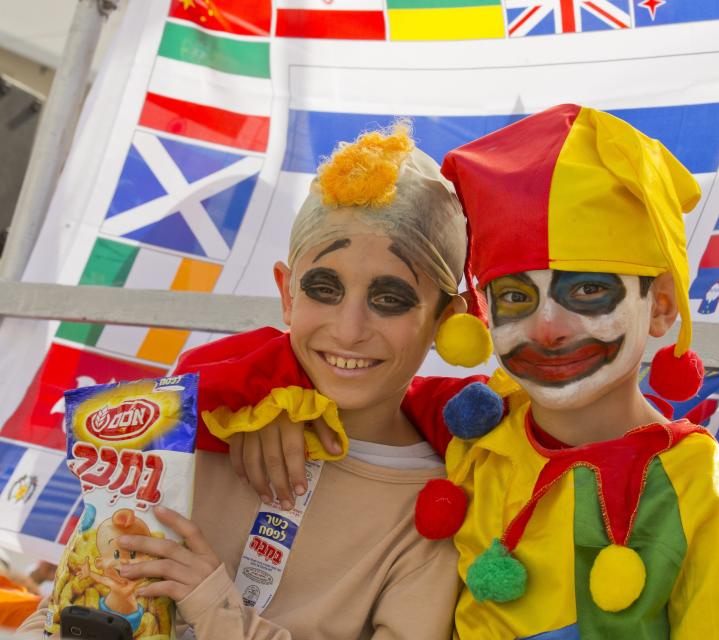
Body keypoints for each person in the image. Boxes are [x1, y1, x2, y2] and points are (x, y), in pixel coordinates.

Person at [220, 105, 719, 639]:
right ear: (481, 317)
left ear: (663, 306)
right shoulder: (479, 447)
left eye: (589, 290)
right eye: (518, 298)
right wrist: (277, 397)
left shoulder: (714, 500)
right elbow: (378, 396)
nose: (548, 328)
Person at [18, 124, 480, 639]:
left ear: (446, 319)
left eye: (389, 299)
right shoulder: (200, 426)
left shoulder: (438, 506)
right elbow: (66, 602)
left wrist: (214, 607)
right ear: (287, 294)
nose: (350, 330)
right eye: (323, 288)